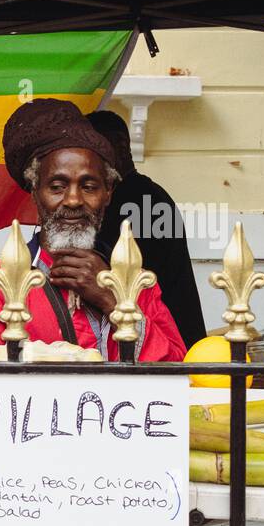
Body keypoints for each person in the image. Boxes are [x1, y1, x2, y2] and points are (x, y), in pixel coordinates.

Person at [0, 98, 187, 362]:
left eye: (89, 186)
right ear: (35, 193)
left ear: (108, 193)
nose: (73, 200)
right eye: (57, 186)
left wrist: (113, 301)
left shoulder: (137, 282)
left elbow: (176, 375)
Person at [86, 110, 207, 348]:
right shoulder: (143, 194)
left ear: (120, 146)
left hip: (162, 333)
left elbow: (127, 275)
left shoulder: (142, 199)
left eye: (95, 146)